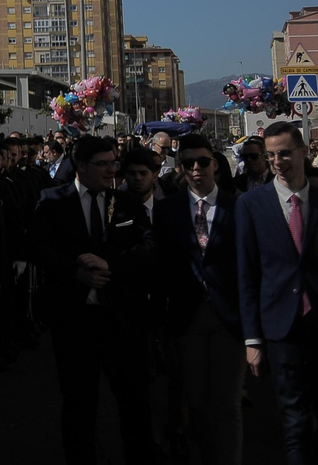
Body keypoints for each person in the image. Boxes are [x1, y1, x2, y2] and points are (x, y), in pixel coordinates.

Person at [237, 120, 318, 465]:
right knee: (294, 423)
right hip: (281, 329)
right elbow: (247, 274)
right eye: (271, 155)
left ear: (303, 152)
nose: (278, 161)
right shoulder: (252, 205)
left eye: (285, 153)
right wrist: (252, 340)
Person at [29, 135, 159, 465]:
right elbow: (38, 248)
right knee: (79, 403)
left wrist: (111, 266)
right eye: (102, 164)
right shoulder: (53, 200)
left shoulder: (126, 202)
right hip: (74, 319)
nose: (111, 170)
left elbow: (148, 247)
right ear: (81, 166)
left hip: (122, 319)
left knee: (134, 402)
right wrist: (75, 272)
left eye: (113, 163)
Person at [156, 132, 243, 465]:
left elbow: (249, 267)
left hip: (228, 317)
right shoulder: (168, 210)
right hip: (186, 314)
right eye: (188, 163)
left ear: (215, 164)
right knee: (196, 401)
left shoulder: (238, 206)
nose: (196, 168)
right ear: (180, 167)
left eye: (203, 161)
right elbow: (163, 266)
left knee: (228, 403)